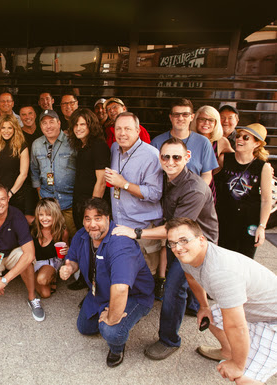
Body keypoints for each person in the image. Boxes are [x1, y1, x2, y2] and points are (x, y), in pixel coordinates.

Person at [111, 137, 219, 361]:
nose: (170, 161)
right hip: (177, 241)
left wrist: (137, 233)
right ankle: (192, 306)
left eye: (176, 157)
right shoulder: (167, 177)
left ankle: (170, 340)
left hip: (197, 245)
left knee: (173, 288)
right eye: (166, 157)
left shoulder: (195, 188)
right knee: (182, 284)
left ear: (187, 158)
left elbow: (176, 229)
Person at [166, 218, 277, 384]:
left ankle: (239, 360)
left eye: (184, 240)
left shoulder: (220, 273)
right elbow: (191, 277)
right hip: (252, 308)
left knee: (244, 379)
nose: (177, 248)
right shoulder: (189, 256)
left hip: (272, 320)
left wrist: (238, 366)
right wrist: (203, 306)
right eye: (172, 243)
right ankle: (228, 352)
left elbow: (236, 326)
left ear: (201, 240)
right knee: (209, 316)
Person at [60, 198, 154, 368]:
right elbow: (72, 259)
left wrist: (112, 317)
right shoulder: (82, 235)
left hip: (134, 295)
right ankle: (112, 312)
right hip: (101, 291)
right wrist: (69, 268)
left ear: (108, 218)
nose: (92, 224)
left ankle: (117, 347)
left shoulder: (121, 243)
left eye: (98, 218)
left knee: (110, 330)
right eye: (87, 219)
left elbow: (120, 289)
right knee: (85, 327)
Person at [0, 183, 45, 322]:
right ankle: (0, 277)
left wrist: (4, 281)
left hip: (11, 254)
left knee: (27, 260)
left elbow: (29, 253)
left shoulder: (17, 215)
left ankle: (32, 297)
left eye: (2, 199)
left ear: (8, 199)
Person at [105, 112, 163, 275]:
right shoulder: (115, 148)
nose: (122, 133)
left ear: (138, 131)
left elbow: (154, 193)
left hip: (142, 227)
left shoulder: (151, 155)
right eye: (118, 129)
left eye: (127, 129)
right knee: (123, 275)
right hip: (120, 225)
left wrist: (123, 184)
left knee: (145, 276)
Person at [215, 123, 272, 259]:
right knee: (223, 260)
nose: (239, 140)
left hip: (248, 222)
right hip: (224, 220)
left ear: (256, 144)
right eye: (239, 136)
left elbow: (266, 200)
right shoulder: (224, 159)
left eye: (246, 138)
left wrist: (262, 227)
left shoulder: (263, 167)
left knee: (245, 262)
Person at [30, 109, 77, 237]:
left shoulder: (72, 141)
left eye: (52, 122)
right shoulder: (36, 145)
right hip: (47, 201)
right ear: (40, 126)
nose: (48, 126)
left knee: (73, 236)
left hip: (70, 202)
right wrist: (40, 193)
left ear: (59, 123)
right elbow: (34, 170)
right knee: (52, 237)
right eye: (44, 123)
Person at [151, 98, 218, 186]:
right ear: (170, 117)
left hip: (192, 195)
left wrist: (197, 192)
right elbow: (151, 173)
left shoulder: (203, 142)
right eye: (176, 114)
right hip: (164, 196)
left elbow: (206, 174)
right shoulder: (157, 142)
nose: (180, 118)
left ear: (192, 117)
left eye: (185, 114)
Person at [67, 108, 110, 229]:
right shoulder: (81, 145)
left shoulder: (99, 145)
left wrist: (92, 211)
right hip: (80, 202)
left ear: (91, 125)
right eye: (75, 125)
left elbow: (101, 182)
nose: (78, 128)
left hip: (92, 205)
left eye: (82, 124)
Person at [0, 115, 30, 215]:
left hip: (16, 193)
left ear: (15, 129)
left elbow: (23, 174)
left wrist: (10, 193)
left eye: (10, 127)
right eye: (3, 127)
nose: (6, 131)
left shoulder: (22, 146)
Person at [190, 105, 234, 200]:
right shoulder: (188, 139)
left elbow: (239, 160)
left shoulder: (221, 142)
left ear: (216, 123)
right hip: (187, 188)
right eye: (202, 119)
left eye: (211, 120)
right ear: (195, 121)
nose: (206, 123)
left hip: (209, 189)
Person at [31, 198, 68, 298]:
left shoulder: (62, 232)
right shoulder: (34, 227)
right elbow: (21, 218)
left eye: (48, 215)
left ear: (55, 215)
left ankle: (47, 276)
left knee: (45, 293)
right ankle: (31, 275)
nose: (44, 218)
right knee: (45, 291)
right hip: (34, 261)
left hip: (50, 262)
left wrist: (67, 250)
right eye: (41, 215)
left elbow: (67, 252)